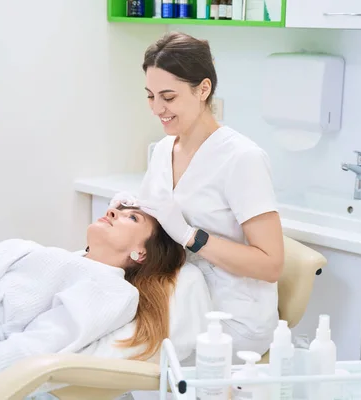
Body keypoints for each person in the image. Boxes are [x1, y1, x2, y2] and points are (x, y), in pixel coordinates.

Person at [111, 31, 285, 359]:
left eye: (168, 97)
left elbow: (271, 265)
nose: (157, 108)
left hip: (229, 319)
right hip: (179, 300)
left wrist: (192, 237)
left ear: (203, 89)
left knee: (125, 355)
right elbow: (162, 224)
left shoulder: (241, 158)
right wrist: (131, 212)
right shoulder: (163, 150)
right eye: (150, 96)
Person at [0, 205, 186, 400]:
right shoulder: (23, 247)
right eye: (118, 208)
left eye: (132, 217)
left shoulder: (113, 289)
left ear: (141, 253)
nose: (114, 211)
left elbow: (40, 344)